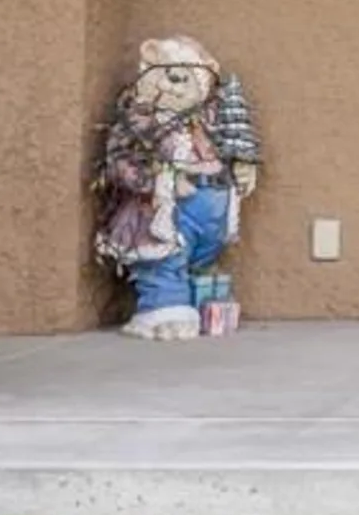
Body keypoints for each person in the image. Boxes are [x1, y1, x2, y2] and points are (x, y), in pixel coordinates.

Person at [92, 36, 262, 341]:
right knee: (165, 259)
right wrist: (158, 178)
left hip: (211, 208)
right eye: (170, 75)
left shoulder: (208, 122)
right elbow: (121, 163)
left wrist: (241, 167)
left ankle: (198, 305)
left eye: (187, 78)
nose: (176, 85)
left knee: (199, 263)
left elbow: (232, 145)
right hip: (167, 208)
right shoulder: (140, 123)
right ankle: (162, 310)